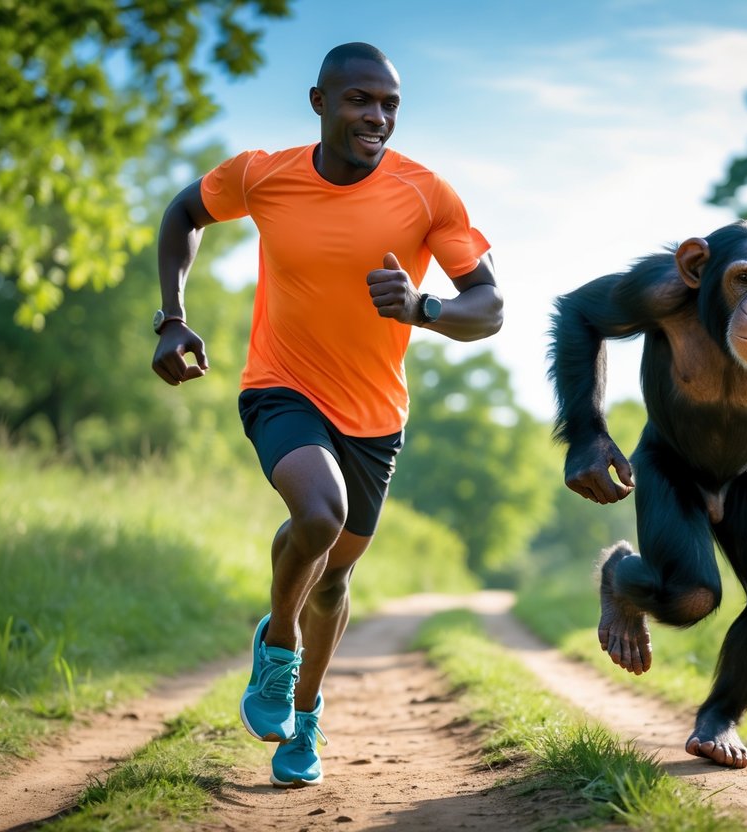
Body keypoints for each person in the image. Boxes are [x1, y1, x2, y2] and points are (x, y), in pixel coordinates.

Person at [150, 42, 502, 787]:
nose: (375, 116)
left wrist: (425, 307)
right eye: (358, 100)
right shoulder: (263, 174)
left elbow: (490, 305)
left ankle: (304, 721)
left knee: (336, 580)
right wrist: (171, 318)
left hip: (375, 415)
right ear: (318, 102)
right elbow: (184, 211)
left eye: (388, 105)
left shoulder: (426, 194)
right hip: (280, 386)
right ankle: (277, 647)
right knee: (318, 514)